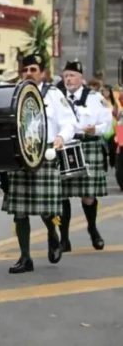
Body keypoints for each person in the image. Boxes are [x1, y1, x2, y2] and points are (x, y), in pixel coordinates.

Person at [3, 54, 76, 274]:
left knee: (45, 208)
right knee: (19, 211)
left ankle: (52, 233)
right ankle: (25, 257)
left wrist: (62, 137)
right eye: (25, 69)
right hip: (21, 156)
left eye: (33, 69)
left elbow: (69, 121)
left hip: (45, 154)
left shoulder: (53, 94)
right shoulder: (14, 94)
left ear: (42, 72)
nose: (29, 73)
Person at [59, 60, 113, 252]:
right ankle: (63, 238)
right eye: (65, 76)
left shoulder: (95, 98)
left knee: (88, 195)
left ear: (81, 78)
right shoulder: (57, 97)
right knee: (62, 195)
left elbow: (107, 123)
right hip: (66, 146)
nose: (68, 79)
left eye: (72, 75)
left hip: (88, 145)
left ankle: (93, 229)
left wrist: (95, 129)